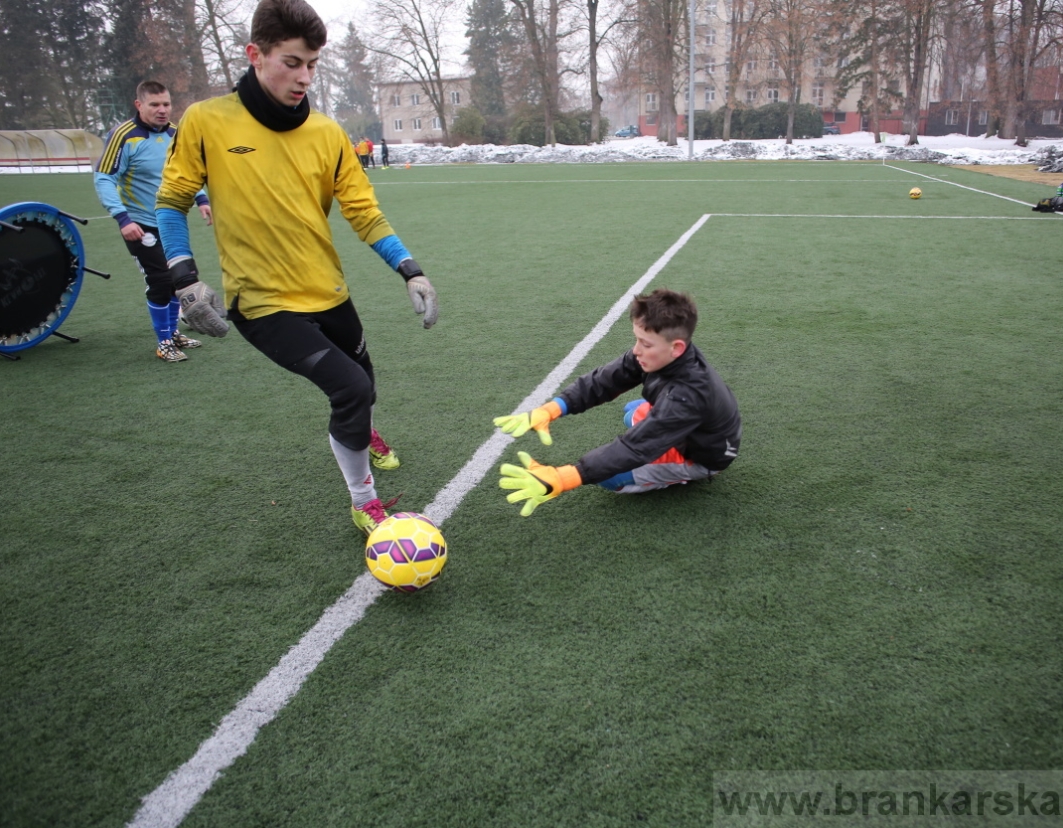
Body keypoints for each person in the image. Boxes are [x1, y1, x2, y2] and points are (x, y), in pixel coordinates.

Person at [154, 0, 439, 536]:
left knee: (366, 388)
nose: (304, 76)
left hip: (328, 291)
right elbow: (171, 202)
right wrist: (185, 281)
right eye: (292, 62)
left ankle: (364, 434)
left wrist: (410, 268)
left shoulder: (328, 134)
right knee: (349, 390)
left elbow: (363, 212)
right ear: (255, 55)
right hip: (261, 304)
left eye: (312, 64)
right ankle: (364, 501)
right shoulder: (207, 121)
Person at [494, 289, 741, 516]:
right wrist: (552, 408)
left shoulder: (688, 396)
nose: (636, 351)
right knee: (631, 412)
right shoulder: (664, 355)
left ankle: (691, 473)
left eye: (645, 344)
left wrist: (563, 477)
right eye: (637, 339)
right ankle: (665, 439)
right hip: (688, 425)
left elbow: (634, 448)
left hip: (702, 456)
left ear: (676, 348)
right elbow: (604, 381)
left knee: (609, 477)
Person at [94, 80, 213, 363]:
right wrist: (122, 218)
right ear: (139, 105)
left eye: (166, 104)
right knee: (160, 278)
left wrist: (202, 198)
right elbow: (104, 178)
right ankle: (163, 343)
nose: (162, 110)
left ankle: (172, 333)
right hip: (138, 223)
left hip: (171, 221)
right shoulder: (124, 135)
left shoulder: (176, 133)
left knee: (177, 278)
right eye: (155, 105)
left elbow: (186, 171)